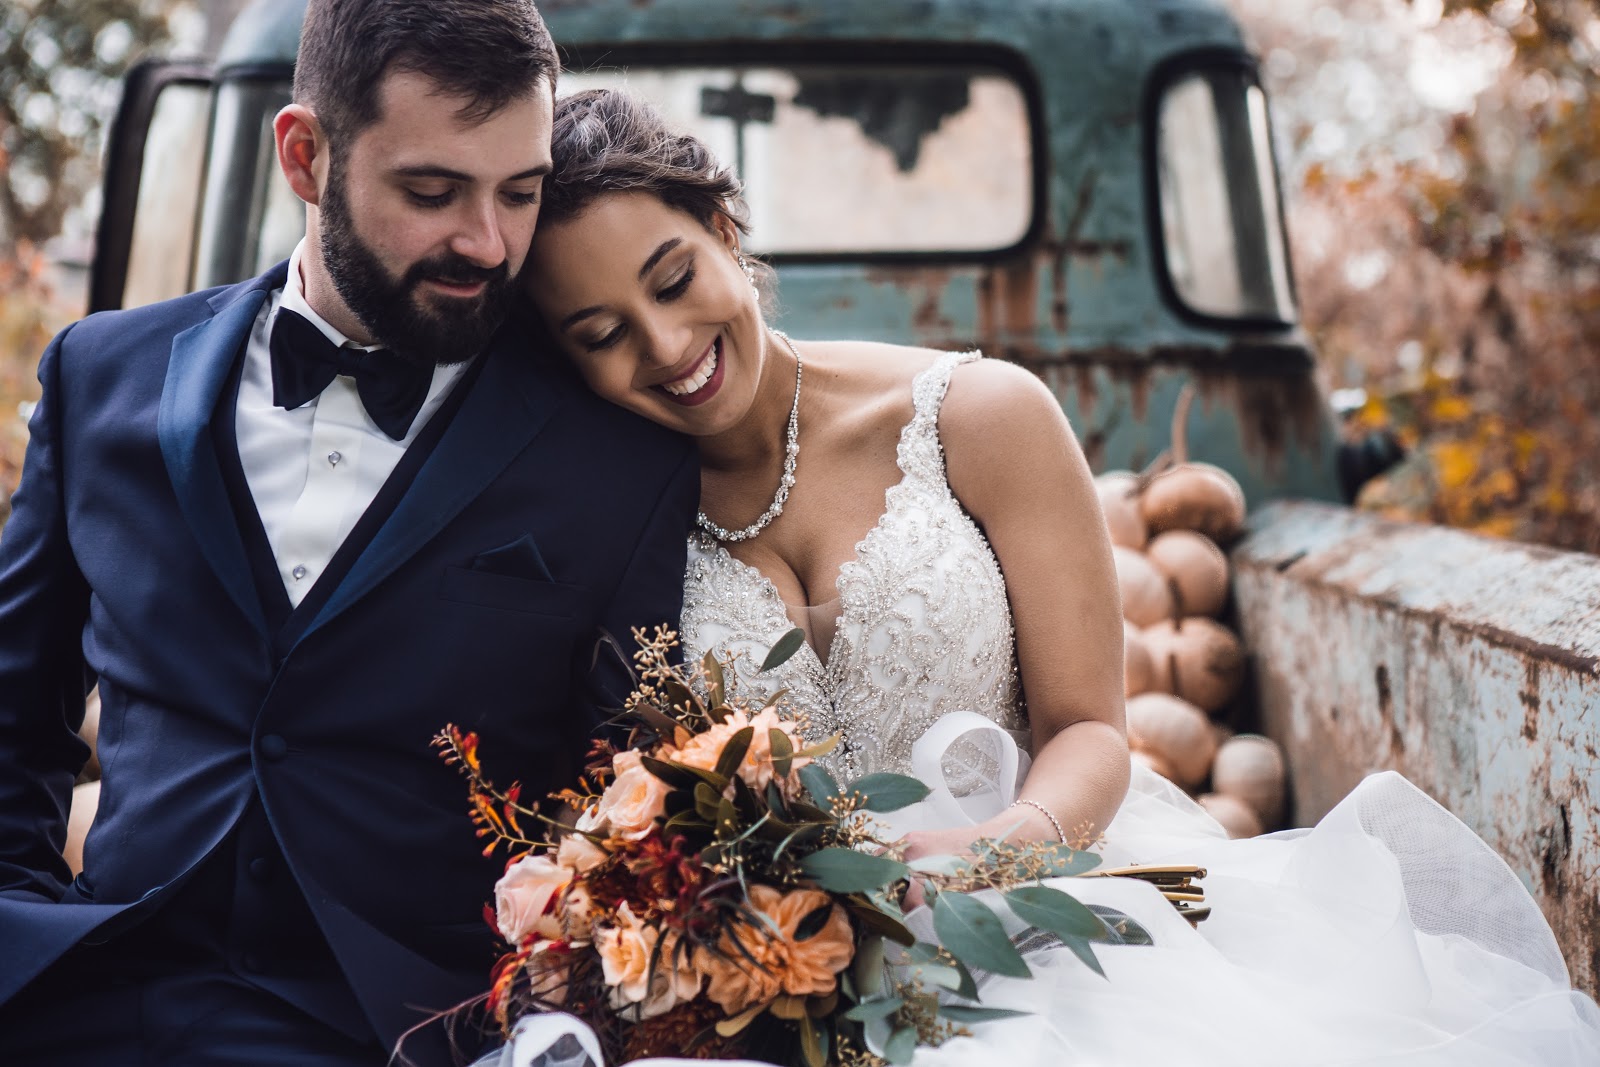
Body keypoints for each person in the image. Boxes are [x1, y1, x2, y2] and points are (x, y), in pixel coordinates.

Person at [516, 88, 1600, 1065]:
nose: (666, 345)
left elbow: (1091, 727)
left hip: (1048, 926)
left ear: (722, 227)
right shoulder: (606, 528)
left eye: (673, 280)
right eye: (603, 334)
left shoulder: (980, 416)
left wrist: (993, 857)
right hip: (789, 992)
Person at [0, 4, 697, 1064]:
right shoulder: (101, 376)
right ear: (306, 157)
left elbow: (630, 819)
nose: (489, 242)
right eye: (433, 192)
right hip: (87, 1001)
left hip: (403, 1033)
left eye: (520, 192)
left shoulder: (618, 458)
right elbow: (14, 719)